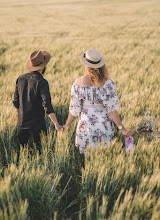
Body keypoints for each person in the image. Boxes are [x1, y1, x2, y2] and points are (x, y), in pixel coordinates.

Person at [63, 49, 134, 154]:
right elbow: (112, 110)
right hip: (104, 127)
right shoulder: (107, 84)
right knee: (104, 156)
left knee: (86, 161)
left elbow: (74, 109)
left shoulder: (78, 84)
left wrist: (67, 125)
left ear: (86, 65)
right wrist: (122, 128)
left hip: (85, 127)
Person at [13, 50, 62, 159]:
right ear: (41, 67)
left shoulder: (20, 79)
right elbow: (47, 106)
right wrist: (56, 125)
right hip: (37, 125)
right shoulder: (42, 82)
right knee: (42, 153)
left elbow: (16, 103)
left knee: (22, 155)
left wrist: (22, 116)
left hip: (21, 124)